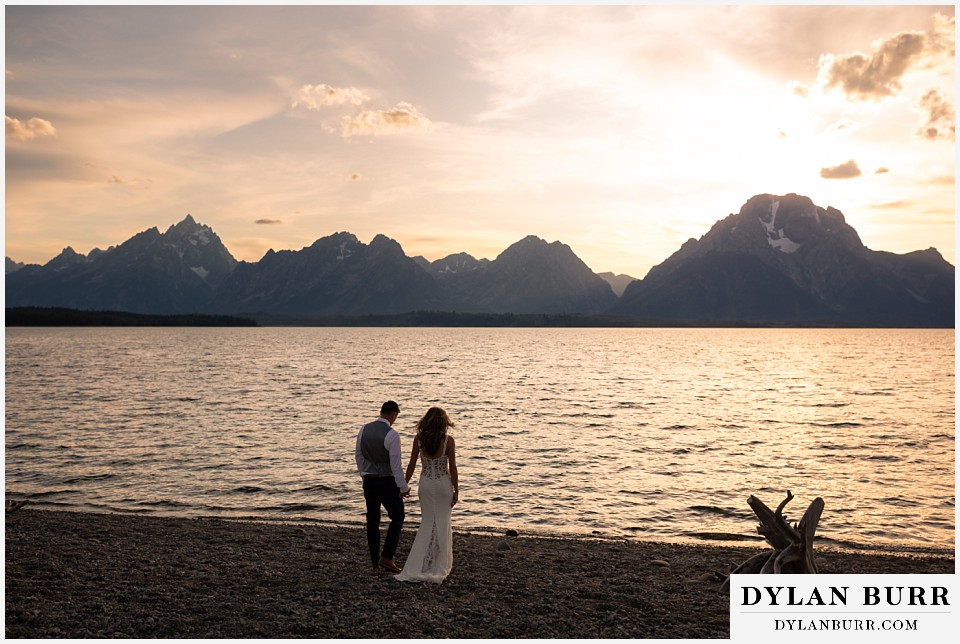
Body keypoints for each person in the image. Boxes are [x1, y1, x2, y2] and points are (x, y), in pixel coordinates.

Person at [395, 406, 459, 584]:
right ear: (443, 423)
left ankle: (416, 566)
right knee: (443, 522)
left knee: (427, 522)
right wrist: (456, 490)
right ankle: (440, 565)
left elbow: (411, 465)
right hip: (443, 484)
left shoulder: (419, 440)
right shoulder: (448, 441)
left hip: (425, 483)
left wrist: (404, 486)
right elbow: (452, 469)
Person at [355, 400, 410, 573]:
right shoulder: (392, 435)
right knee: (398, 516)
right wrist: (403, 487)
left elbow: (358, 455)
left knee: (373, 519)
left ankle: (374, 562)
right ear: (394, 415)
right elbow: (396, 465)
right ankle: (387, 557)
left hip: (369, 480)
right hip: (386, 481)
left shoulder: (364, 429)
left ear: (381, 412)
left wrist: (363, 473)